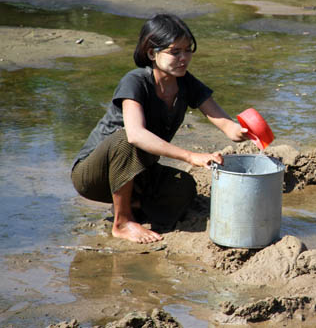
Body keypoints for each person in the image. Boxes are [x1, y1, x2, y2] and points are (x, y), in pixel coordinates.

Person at [71, 13, 248, 244]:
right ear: (152, 53)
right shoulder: (135, 81)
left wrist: (243, 132)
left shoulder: (186, 82)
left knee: (183, 186)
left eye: (188, 50)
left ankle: (133, 205)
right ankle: (122, 222)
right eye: (175, 52)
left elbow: (225, 123)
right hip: (94, 176)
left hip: (138, 172)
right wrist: (190, 156)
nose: (184, 58)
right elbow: (136, 135)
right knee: (125, 139)